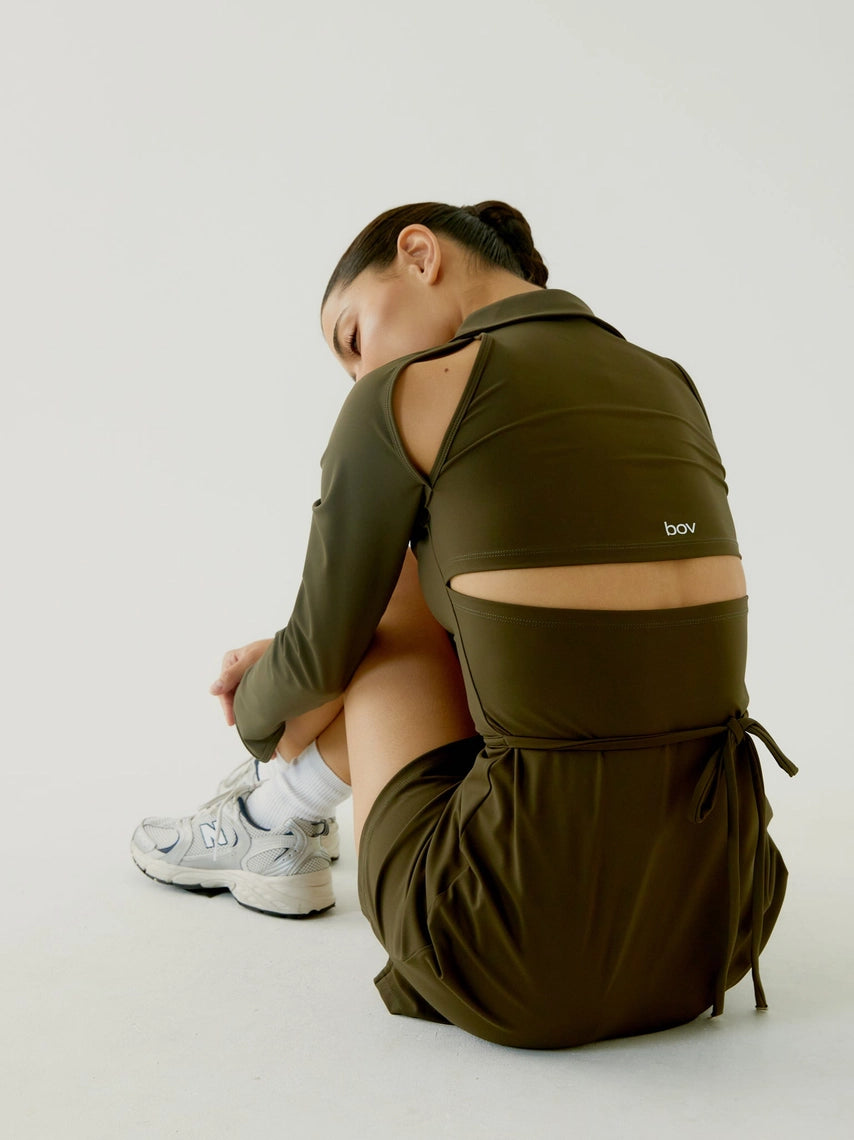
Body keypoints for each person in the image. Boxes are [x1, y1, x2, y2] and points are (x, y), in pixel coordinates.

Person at [131, 201, 797, 1049]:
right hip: (714, 925)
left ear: (419, 255)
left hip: (508, 943)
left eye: (351, 337)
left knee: (399, 571)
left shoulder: (404, 394)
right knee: (472, 559)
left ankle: (270, 816)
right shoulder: (666, 379)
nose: (356, 372)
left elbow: (316, 654)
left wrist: (264, 712)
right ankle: (277, 818)